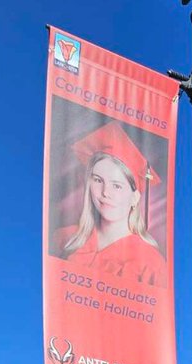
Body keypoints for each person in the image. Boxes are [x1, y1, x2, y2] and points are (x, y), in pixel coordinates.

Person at [55, 121, 167, 288]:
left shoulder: (150, 263)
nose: (106, 192)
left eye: (117, 185)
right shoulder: (65, 238)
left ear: (134, 198)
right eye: (98, 180)